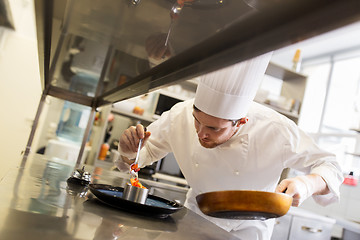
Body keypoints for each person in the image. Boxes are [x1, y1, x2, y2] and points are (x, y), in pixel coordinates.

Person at [116, 53, 343, 240]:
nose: (201, 133)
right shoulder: (180, 114)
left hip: (248, 231)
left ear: (241, 122)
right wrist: (128, 153)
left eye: (215, 128)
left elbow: (330, 165)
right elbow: (138, 161)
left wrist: (306, 184)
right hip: (193, 221)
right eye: (198, 120)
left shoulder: (276, 129)